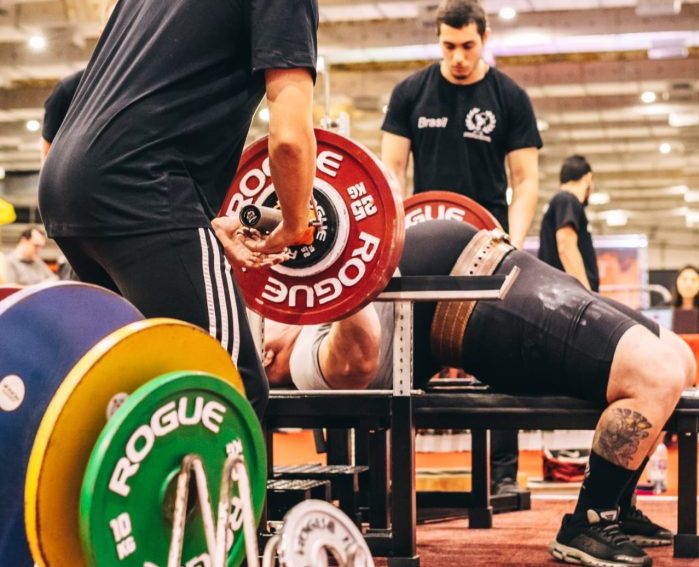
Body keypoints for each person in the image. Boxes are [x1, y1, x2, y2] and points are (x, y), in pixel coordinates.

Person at [261, 219, 694, 566]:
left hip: (499, 263)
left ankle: (618, 504)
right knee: (653, 373)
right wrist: (336, 259)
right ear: (264, 355)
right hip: (470, 302)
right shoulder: (303, 362)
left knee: (680, 357)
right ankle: (589, 520)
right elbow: (355, 360)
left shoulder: (309, 312)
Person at [37, 0, 320, 417]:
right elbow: (291, 139)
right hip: (142, 187)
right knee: (229, 389)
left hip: (68, 188)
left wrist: (198, 224)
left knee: (130, 391)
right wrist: (296, 221)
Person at [380, 0, 542, 494]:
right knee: (404, 360)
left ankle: (502, 477)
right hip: (427, 246)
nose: (458, 57)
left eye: (468, 46)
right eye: (448, 46)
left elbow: (526, 178)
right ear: (439, 41)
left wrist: (511, 242)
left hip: (489, 244)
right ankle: (394, 477)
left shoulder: (508, 97)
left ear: (485, 38)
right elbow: (392, 174)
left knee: (503, 355)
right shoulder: (410, 93)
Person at [539, 155, 598, 291]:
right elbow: (566, 246)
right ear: (588, 178)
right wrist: (587, 295)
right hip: (569, 296)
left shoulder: (560, 201)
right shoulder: (567, 199)